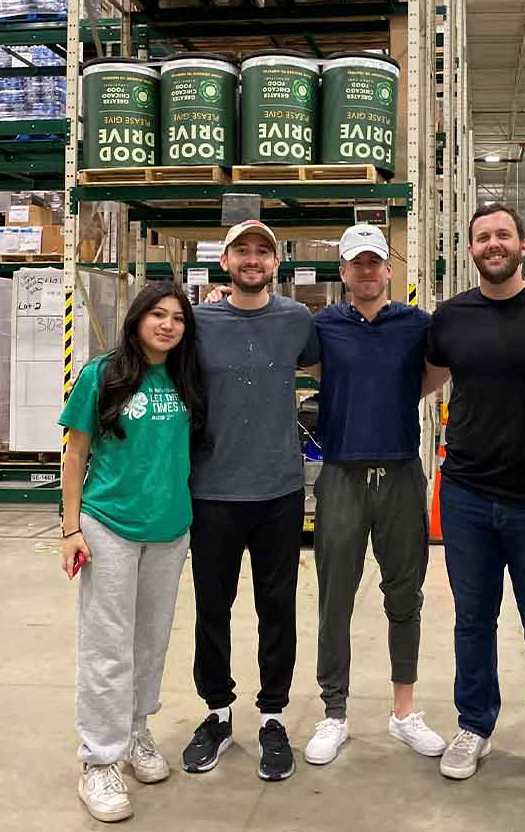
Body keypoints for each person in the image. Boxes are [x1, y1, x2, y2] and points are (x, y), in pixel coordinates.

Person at [423, 202, 525, 790]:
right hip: (464, 492)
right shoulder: (451, 316)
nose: (494, 244)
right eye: (483, 236)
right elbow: (426, 379)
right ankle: (474, 724)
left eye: (503, 235)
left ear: (522, 243)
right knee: (472, 619)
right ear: (470, 249)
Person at [59, 280, 207, 823]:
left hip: (169, 529)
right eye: (157, 315)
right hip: (108, 526)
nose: (168, 325)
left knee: (149, 641)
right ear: (137, 318)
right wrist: (70, 528)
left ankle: (137, 731)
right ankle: (99, 759)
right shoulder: (103, 373)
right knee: (107, 644)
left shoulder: (187, 377)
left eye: (178, 318)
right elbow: (75, 455)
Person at [301, 223, 446, 766]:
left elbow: (434, 375)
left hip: (401, 475)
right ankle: (334, 713)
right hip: (341, 476)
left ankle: (404, 711)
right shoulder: (324, 325)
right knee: (334, 597)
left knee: (404, 596)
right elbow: (308, 366)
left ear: (390, 270)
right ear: (343, 272)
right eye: (355, 263)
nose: (365, 271)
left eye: (374, 262)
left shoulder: (416, 324)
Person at [182, 219, 320, 783]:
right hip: (212, 489)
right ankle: (216, 710)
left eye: (263, 251)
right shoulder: (197, 321)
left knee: (276, 608)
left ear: (276, 263)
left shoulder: (296, 319)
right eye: (243, 250)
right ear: (226, 260)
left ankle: (272, 714)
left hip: (278, 492)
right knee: (212, 607)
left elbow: (325, 367)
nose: (253, 259)